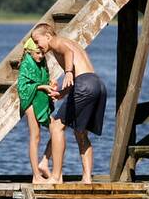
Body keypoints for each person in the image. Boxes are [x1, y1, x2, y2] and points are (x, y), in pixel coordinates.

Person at [31, 23, 106, 184]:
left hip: (84, 84)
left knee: (57, 126)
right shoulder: (70, 42)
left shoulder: (56, 42)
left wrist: (68, 72)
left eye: (38, 41)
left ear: (48, 36)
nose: (37, 46)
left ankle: (56, 177)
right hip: (96, 83)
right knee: (81, 132)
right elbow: (80, 71)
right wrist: (62, 93)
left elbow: (68, 53)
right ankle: (87, 179)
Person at [17, 36, 56, 183]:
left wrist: (50, 84)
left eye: (42, 53)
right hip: (30, 101)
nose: (40, 56)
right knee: (36, 136)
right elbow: (22, 87)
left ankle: (44, 161)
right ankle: (36, 175)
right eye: (37, 53)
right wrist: (40, 87)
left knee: (57, 129)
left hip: (41, 99)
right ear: (29, 52)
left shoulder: (42, 62)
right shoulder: (26, 64)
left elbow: (44, 78)